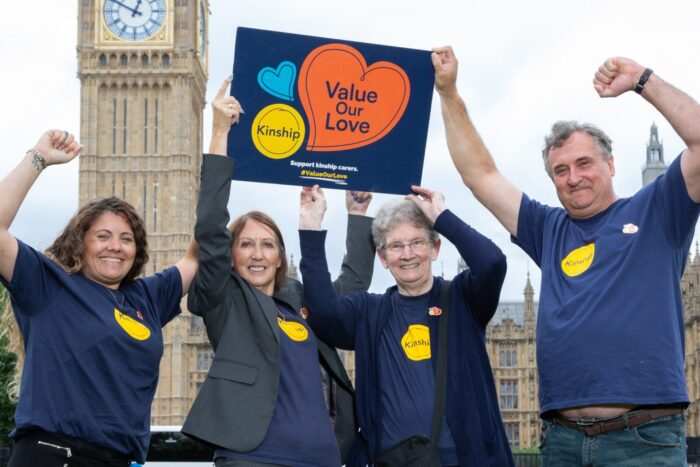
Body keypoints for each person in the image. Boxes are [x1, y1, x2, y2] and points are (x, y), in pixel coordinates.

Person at [432, 45, 700, 465]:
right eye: (560, 170)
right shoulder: (548, 229)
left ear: (611, 164)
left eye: (584, 163)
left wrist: (644, 81)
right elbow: (479, 174)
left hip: (642, 441)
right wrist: (448, 94)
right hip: (561, 442)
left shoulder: (657, 211)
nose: (573, 178)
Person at [181, 78, 375, 467]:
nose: (257, 254)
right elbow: (211, 228)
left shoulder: (298, 301)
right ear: (230, 255)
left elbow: (352, 284)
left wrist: (357, 216)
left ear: (281, 256)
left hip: (322, 456)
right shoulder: (225, 300)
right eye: (246, 244)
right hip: (253, 456)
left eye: (268, 244)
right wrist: (220, 134)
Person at [0, 130, 199, 466]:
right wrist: (38, 157)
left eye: (126, 239)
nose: (115, 246)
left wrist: (220, 134)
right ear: (81, 241)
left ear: (137, 251)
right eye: (103, 236)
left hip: (119, 460)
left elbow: (197, 255)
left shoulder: (145, 297)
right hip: (54, 454)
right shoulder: (48, 284)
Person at [299, 184, 514, 466]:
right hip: (394, 460)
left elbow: (492, 263)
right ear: (383, 257)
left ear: (435, 248)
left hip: (466, 459)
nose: (407, 254)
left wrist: (442, 218)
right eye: (396, 246)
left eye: (417, 242)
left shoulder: (464, 300)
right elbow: (322, 314)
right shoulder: (370, 311)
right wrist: (311, 227)